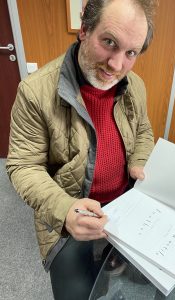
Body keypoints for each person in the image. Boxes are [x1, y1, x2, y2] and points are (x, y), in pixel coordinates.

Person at [6, 0, 156, 299]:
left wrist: (139, 159)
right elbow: (23, 166)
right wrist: (64, 210)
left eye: (130, 53)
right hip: (70, 213)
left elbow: (143, 131)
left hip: (126, 206)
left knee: (152, 281)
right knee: (78, 294)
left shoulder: (134, 85)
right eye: (109, 42)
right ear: (85, 29)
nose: (116, 65)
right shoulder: (36, 92)